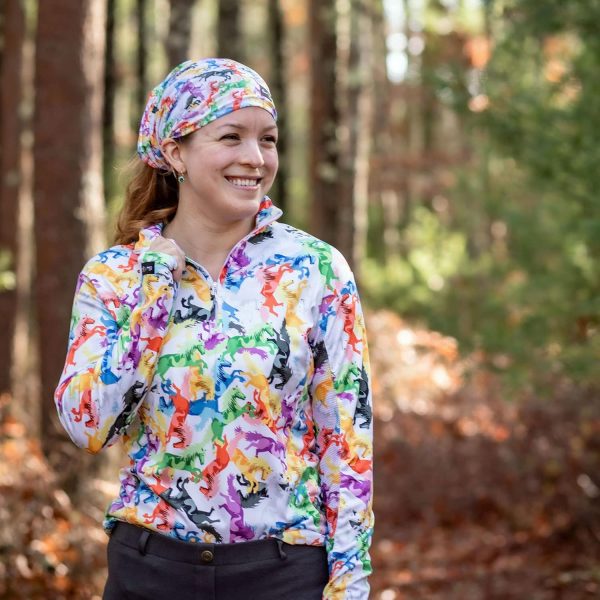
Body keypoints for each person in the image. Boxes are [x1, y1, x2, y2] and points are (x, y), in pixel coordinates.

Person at [54, 57, 373, 600]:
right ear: (175, 152)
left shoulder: (315, 270)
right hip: (150, 572)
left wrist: (350, 582)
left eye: (267, 139)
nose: (255, 157)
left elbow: (347, 442)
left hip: (284, 573)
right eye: (231, 136)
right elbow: (88, 427)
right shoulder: (114, 276)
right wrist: (155, 292)